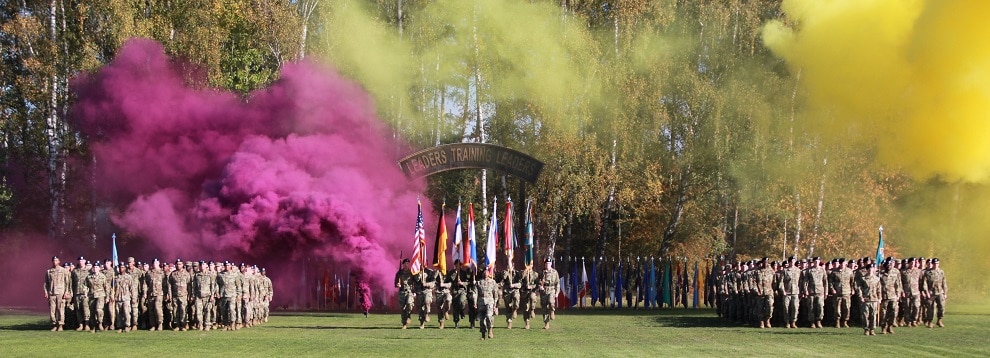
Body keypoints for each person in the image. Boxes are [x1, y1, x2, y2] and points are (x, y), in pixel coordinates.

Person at [44, 256, 71, 331]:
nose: (55, 262)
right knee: (52, 310)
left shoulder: (63, 271)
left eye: (56, 260)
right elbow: (46, 283)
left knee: (60, 309)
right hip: (52, 293)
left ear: (59, 261)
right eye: (53, 260)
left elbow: (67, 283)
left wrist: (66, 292)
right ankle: (54, 324)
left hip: (60, 293)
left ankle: (60, 325)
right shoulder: (49, 271)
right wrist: (46, 292)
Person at [801, 257, 829, 328]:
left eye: (818, 261)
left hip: (820, 292)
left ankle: (818, 321)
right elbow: (805, 282)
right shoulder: (809, 270)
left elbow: (825, 282)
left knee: (820, 307)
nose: (816, 262)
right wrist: (805, 291)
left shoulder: (822, 270)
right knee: (811, 307)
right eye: (815, 261)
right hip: (811, 292)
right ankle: (812, 322)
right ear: (813, 262)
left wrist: (826, 292)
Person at [920, 258, 947, 328]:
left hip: (940, 292)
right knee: (930, 308)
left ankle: (939, 320)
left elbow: (944, 283)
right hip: (931, 292)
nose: (936, 265)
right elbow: (924, 283)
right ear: (932, 264)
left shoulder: (941, 272)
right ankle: (930, 321)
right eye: (934, 263)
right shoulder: (928, 272)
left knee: (942, 307)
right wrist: (926, 292)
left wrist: (945, 293)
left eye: (937, 263)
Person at [856, 263, 881, 336]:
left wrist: (879, 298)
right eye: (869, 269)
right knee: (865, 315)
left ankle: (872, 329)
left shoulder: (877, 279)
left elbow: (879, 289)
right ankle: (866, 329)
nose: (871, 270)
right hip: (866, 298)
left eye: (872, 268)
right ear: (867, 270)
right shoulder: (863, 279)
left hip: (874, 298)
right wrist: (861, 297)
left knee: (873, 315)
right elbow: (859, 288)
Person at [85, 261, 111, 332]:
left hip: (100, 295)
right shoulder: (89, 277)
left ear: (99, 268)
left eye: (97, 267)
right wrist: (85, 293)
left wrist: (108, 297)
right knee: (92, 312)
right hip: (92, 296)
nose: (95, 269)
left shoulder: (102, 276)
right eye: (94, 267)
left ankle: (100, 323)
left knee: (99, 310)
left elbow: (106, 287)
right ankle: (93, 327)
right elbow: (85, 286)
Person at [829, 258, 855, 328]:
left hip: (847, 292)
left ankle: (845, 321)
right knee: (837, 308)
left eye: (844, 263)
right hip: (837, 292)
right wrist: (832, 289)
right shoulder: (834, 272)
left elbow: (852, 282)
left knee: (847, 307)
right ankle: (837, 321)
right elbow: (830, 282)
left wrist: (853, 289)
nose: (842, 265)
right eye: (841, 263)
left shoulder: (849, 271)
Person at [879, 259, 902, 334]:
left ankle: (890, 326)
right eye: (888, 265)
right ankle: (883, 327)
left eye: (890, 265)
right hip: (884, 296)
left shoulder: (896, 272)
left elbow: (898, 284)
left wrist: (898, 294)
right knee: (883, 313)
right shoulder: (880, 273)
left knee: (894, 312)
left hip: (893, 295)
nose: (889, 266)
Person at [169, 259, 192, 331]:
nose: (178, 265)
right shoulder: (172, 274)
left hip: (184, 295)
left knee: (183, 310)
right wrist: (170, 295)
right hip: (175, 295)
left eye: (180, 264)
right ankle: (177, 325)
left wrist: (189, 295)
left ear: (182, 265)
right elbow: (169, 285)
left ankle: (183, 325)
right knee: (175, 311)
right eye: (177, 264)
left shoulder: (186, 274)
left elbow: (189, 286)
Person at [476, 265, 498, 340]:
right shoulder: (478, 282)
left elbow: (495, 294)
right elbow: (475, 293)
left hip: (490, 300)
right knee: (482, 319)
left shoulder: (493, 282)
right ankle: (483, 334)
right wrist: (475, 302)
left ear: (489, 273)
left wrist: (495, 305)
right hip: (481, 301)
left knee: (489, 316)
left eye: (487, 271)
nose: (486, 273)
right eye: (484, 271)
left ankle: (490, 330)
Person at [112, 264, 135, 332]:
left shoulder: (128, 277)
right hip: (118, 298)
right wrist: (112, 296)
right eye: (120, 267)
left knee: (126, 312)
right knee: (118, 313)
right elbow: (112, 288)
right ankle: (119, 326)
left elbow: (132, 288)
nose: (121, 269)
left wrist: (133, 298)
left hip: (126, 298)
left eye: (122, 267)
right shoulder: (115, 277)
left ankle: (127, 325)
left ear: (125, 268)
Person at [539, 257, 560, 329]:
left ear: (551, 264)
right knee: (544, 307)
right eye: (546, 264)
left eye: (548, 263)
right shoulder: (541, 272)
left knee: (551, 302)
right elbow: (538, 281)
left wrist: (557, 292)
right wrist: (540, 287)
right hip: (544, 291)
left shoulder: (554, 272)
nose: (547, 265)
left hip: (551, 289)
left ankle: (552, 311)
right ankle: (546, 323)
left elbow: (557, 283)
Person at [394, 258, 415, 329]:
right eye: (405, 263)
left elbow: (415, 282)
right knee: (403, 308)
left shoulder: (412, 272)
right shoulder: (399, 273)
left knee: (409, 303)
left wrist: (414, 291)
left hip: (409, 291)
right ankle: (404, 323)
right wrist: (397, 284)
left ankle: (409, 315)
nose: (406, 265)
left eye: (408, 263)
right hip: (402, 292)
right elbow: (396, 283)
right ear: (403, 264)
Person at [71, 257, 91, 331]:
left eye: (82, 261)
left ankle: (87, 324)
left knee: (86, 309)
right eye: (80, 260)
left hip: (85, 293)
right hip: (77, 292)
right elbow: (72, 283)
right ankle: (80, 324)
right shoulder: (75, 271)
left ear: (85, 261)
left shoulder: (89, 271)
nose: (81, 262)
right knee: (78, 309)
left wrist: (88, 292)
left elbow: (90, 283)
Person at [754, 258, 775, 328]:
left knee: (769, 307)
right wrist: (756, 290)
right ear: (762, 263)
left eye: (767, 262)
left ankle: (767, 320)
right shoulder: (757, 271)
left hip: (769, 292)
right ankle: (761, 322)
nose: (765, 263)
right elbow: (753, 282)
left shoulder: (771, 271)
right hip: (760, 292)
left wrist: (774, 290)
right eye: (764, 262)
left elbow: (775, 282)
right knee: (760, 308)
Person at [435, 264, 453, 329]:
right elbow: (433, 280)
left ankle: (446, 310)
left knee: (448, 299)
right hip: (438, 292)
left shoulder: (448, 273)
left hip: (446, 291)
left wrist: (444, 285)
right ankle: (441, 322)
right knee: (439, 307)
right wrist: (436, 273)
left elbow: (451, 283)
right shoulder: (436, 273)